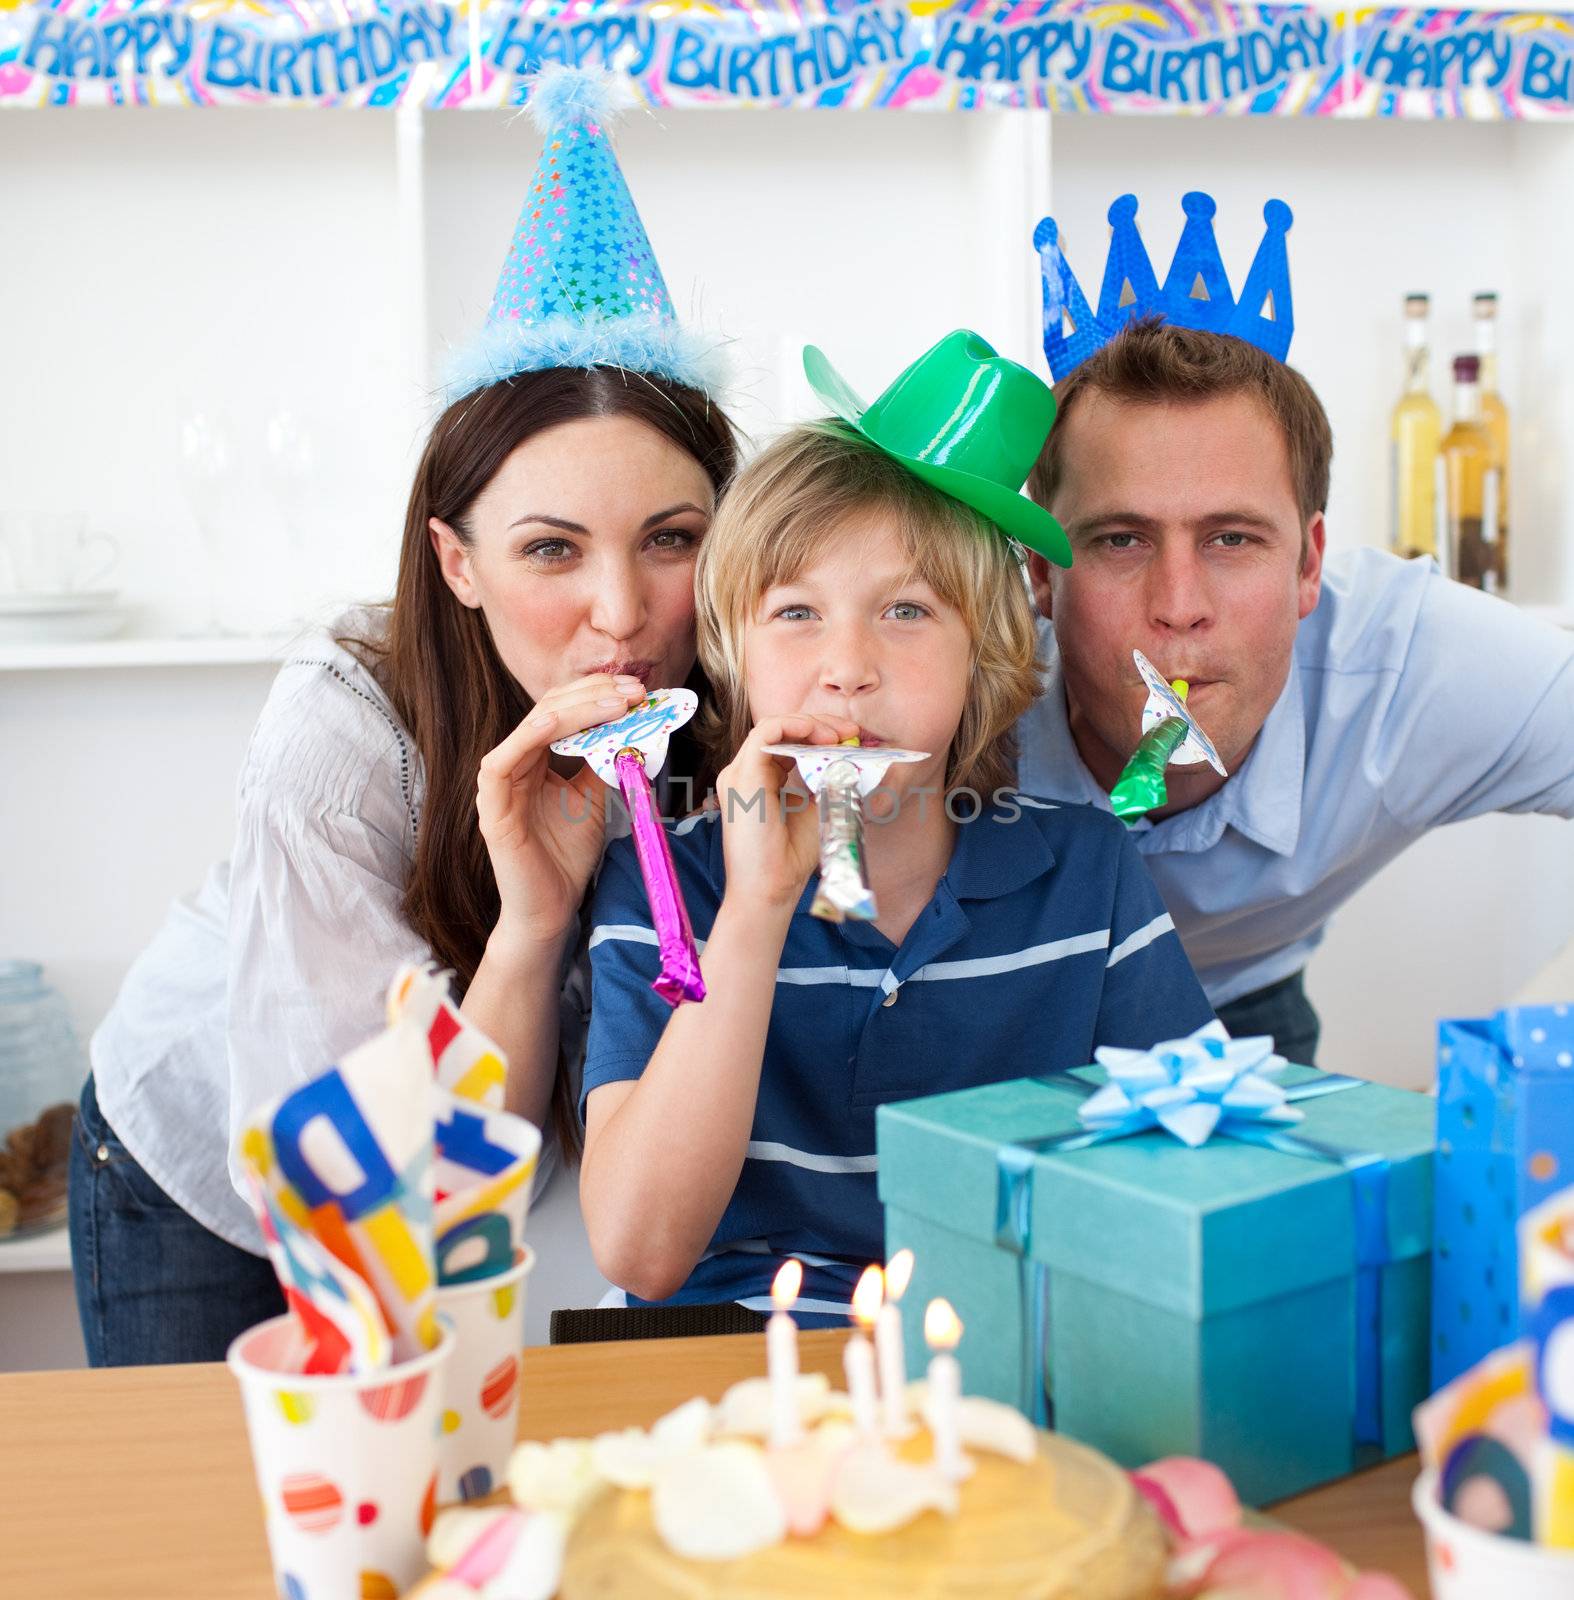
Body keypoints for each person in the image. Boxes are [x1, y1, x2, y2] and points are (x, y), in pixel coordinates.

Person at [69, 66, 739, 1365]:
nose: (618, 611)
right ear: (457, 563)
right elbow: (378, 1197)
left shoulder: (739, 699)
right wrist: (535, 921)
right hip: (230, 1169)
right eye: (551, 550)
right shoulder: (344, 738)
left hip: (479, 1191)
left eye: (671, 539)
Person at [577, 332, 1214, 1325]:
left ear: (985, 655)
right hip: (713, 1368)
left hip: (987, 1357)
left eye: (907, 611)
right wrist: (753, 911)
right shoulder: (661, 886)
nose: (847, 666)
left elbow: (1187, 1179)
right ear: (732, 656)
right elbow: (641, 1252)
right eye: (794, 613)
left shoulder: (1084, 878)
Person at [1017, 317, 1574, 1065]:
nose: (1180, 605)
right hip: (1000, 994)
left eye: (1232, 539)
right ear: (1042, 574)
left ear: (1309, 565)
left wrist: (1533, 1069)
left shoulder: (1402, 663)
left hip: (1238, 996)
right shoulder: (949, 671)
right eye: (1122, 539)